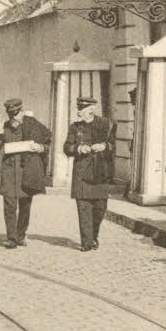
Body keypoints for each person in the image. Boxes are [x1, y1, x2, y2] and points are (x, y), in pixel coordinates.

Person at [0, 97, 50, 249]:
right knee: (9, 205)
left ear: (22, 111)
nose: (13, 117)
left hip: (26, 172)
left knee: (25, 206)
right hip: (9, 172)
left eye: (16, 114)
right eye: (11, 115)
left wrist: (40, 148)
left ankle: (21, 235)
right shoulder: (5, 127)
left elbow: (47, 143)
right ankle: (11, 238)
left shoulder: (33, 126)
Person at [63, 96, 115, 251]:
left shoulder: (106, 124)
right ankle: (86, 242)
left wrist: (104, 146)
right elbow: (66, 147)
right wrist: (78, 149)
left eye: (82, 109)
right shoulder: (75, 127)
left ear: (92, 109)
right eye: (79, 108)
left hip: (101, 172)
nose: (79, 112)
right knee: (84, 209)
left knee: (100, 208)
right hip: (82, 174)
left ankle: (93, 236)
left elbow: (114, 145)